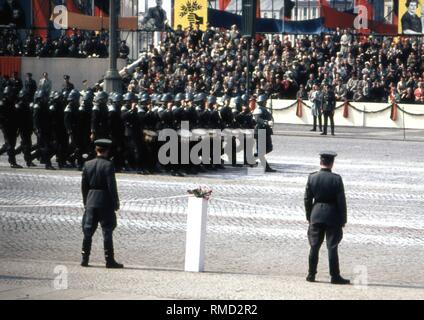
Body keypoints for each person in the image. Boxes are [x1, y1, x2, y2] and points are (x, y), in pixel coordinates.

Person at [304, 151, 349, 285]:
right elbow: (341, 201)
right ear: (332, 163)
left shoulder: (312, 177)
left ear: (320, 162)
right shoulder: (336, 179)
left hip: (316, 214)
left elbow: (307, 199)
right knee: (332, 247)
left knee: (314, 246)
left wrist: (309, 216)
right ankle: (335, 276)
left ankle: (311, 274)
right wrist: (343, 219)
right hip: (332, 215)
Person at [81, 139, 123, 269]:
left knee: (88, 231)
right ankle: (109, 260)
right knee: (107, 231)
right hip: (105, 201)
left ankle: (85, 258)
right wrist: (116, 202)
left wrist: (86, 201)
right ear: (107, 151)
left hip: (91, 200)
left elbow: (84, 186)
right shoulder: (108, 165)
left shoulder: (87, 164)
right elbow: (112, 186)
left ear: (96, 150)